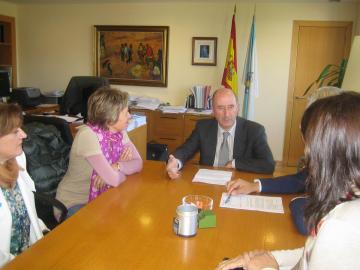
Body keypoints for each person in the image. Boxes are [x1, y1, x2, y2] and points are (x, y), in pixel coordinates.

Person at [216, 92, 360, 270]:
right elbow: (313, 252)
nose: (308, 157)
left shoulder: (340, 228)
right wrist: (272, 258)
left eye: (310, 146)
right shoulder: (348, 198)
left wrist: (262, 267)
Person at [225, 86, 343, 235]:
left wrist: (296, 201)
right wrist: (254, 186)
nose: (303, 127)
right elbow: (298, 180)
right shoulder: (329, 155)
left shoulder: (347, 168)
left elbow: (307, 223)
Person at [56, 87, 143, 218]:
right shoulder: (88, 135)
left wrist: (117, 166)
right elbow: (113, 180)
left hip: (104, 196)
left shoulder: (119, 133)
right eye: (126, 113)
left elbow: (138, 163)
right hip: (76, 203)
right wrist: (115, 172)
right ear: (110, 118)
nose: (130, 116)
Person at [166, 88, 275, 179]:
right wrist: (176, 162)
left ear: (238, 108)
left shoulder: (254, 130)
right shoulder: (203, 127)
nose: (226, 114)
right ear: (213, 110)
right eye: (220, 108)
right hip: (208, 182)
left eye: (231, 107)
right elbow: (186, 149)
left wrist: (235, 163)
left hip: (238, 182)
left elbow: (268, 164)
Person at [0, 103, 47, 267]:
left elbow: (27, 211)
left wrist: (44, 232)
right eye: (15, 132)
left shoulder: (16, 160)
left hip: (32, 253)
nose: (24, 135)